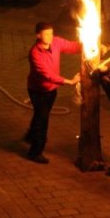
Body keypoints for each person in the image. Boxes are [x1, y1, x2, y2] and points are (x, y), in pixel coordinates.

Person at [25, 22, 81, 164]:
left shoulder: (56, 42)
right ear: (38, 35)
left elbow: (73, 46)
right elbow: (47, 75)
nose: (50, 36)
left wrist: (93, 46)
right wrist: (70, 82)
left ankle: (31, 135)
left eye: (51, 33)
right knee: (42, 119)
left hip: (52, 89)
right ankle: (35, 152)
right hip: (38, 91)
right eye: (47, 34)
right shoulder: (35, 53)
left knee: (40, 115)